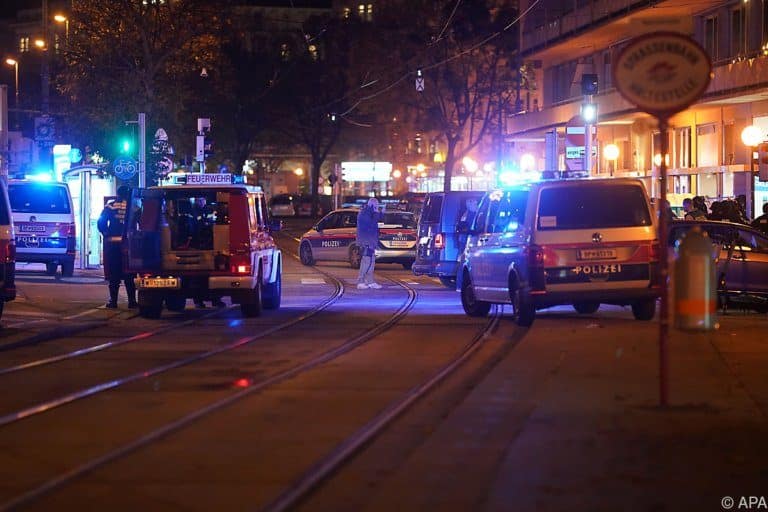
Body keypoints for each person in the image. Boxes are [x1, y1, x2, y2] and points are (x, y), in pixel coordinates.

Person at [97, 185, 137, 309]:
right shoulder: (134, 207)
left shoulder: (110, 206)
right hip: (129, 245)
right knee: (129, 274)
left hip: (113, 244)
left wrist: (106, 233)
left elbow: (101, 222)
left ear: (118, 194)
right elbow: (141, 223)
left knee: (114, 274)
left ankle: (113, 301)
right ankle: (132, 301)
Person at [355, 197, 383, 289]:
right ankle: (361, 281)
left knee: (371, 261)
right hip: (366, 241)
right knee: (366, 261)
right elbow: (370, 225)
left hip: (370, 241)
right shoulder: (365, 213)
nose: (377, 207)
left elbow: (376, 222)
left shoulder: (368, 212)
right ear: (372, 205)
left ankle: (370, 281)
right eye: (376, 206)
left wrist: (380, 213)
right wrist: (376, 213)